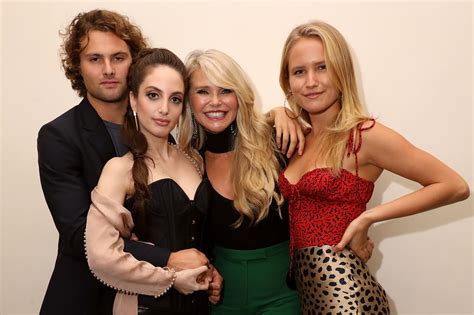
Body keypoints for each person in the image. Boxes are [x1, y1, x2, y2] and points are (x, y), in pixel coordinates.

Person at [277, 20, 470, 314]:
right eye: (299, 72)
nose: (311, 81)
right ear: (288, 81)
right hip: (309, 299)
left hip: (349, 298)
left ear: (342, 71)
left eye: (322, 67)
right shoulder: (298, 138)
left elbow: (454, 186)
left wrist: (366, 219)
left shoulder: (364, 135)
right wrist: (276, 112)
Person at [37, 10, 219, 315]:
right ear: (77, 66)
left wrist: (281, 116)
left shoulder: (165, 136)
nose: (108, 69)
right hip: (86, 299)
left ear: (133, 64)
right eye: (95, 58)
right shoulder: (59, 137)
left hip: (167, 299)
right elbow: (79, 235)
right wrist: (169, 259)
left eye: (118, 57)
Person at [85, 48, 214, 315]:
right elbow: (101, 257)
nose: (164, 109)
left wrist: (212, 271)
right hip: (145, 307)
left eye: (175, 99)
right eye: (153, 95)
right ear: (133, 100)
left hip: (198, 307)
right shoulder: (120, 169)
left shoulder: (194, 160)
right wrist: (172, 280)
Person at [181, 49, 301, 315]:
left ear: (239, 95)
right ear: (188, 99)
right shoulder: (185, 159)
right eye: (203, 91)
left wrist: (282, 112)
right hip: (220, 298)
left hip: (283, 293)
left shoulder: (277, 141)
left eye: (225, 90)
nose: (215, 101)